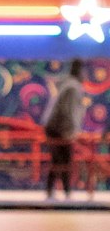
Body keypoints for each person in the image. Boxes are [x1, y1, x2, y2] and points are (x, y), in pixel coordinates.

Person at [43, 58, 85, 199]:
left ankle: (52, 191)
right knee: (64, 160)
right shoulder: (73, 87)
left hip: (53, 126)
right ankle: (66, 192)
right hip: (60, 128)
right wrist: (72, 131)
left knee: (57, 160)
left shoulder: (66, 84)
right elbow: (69, 111)